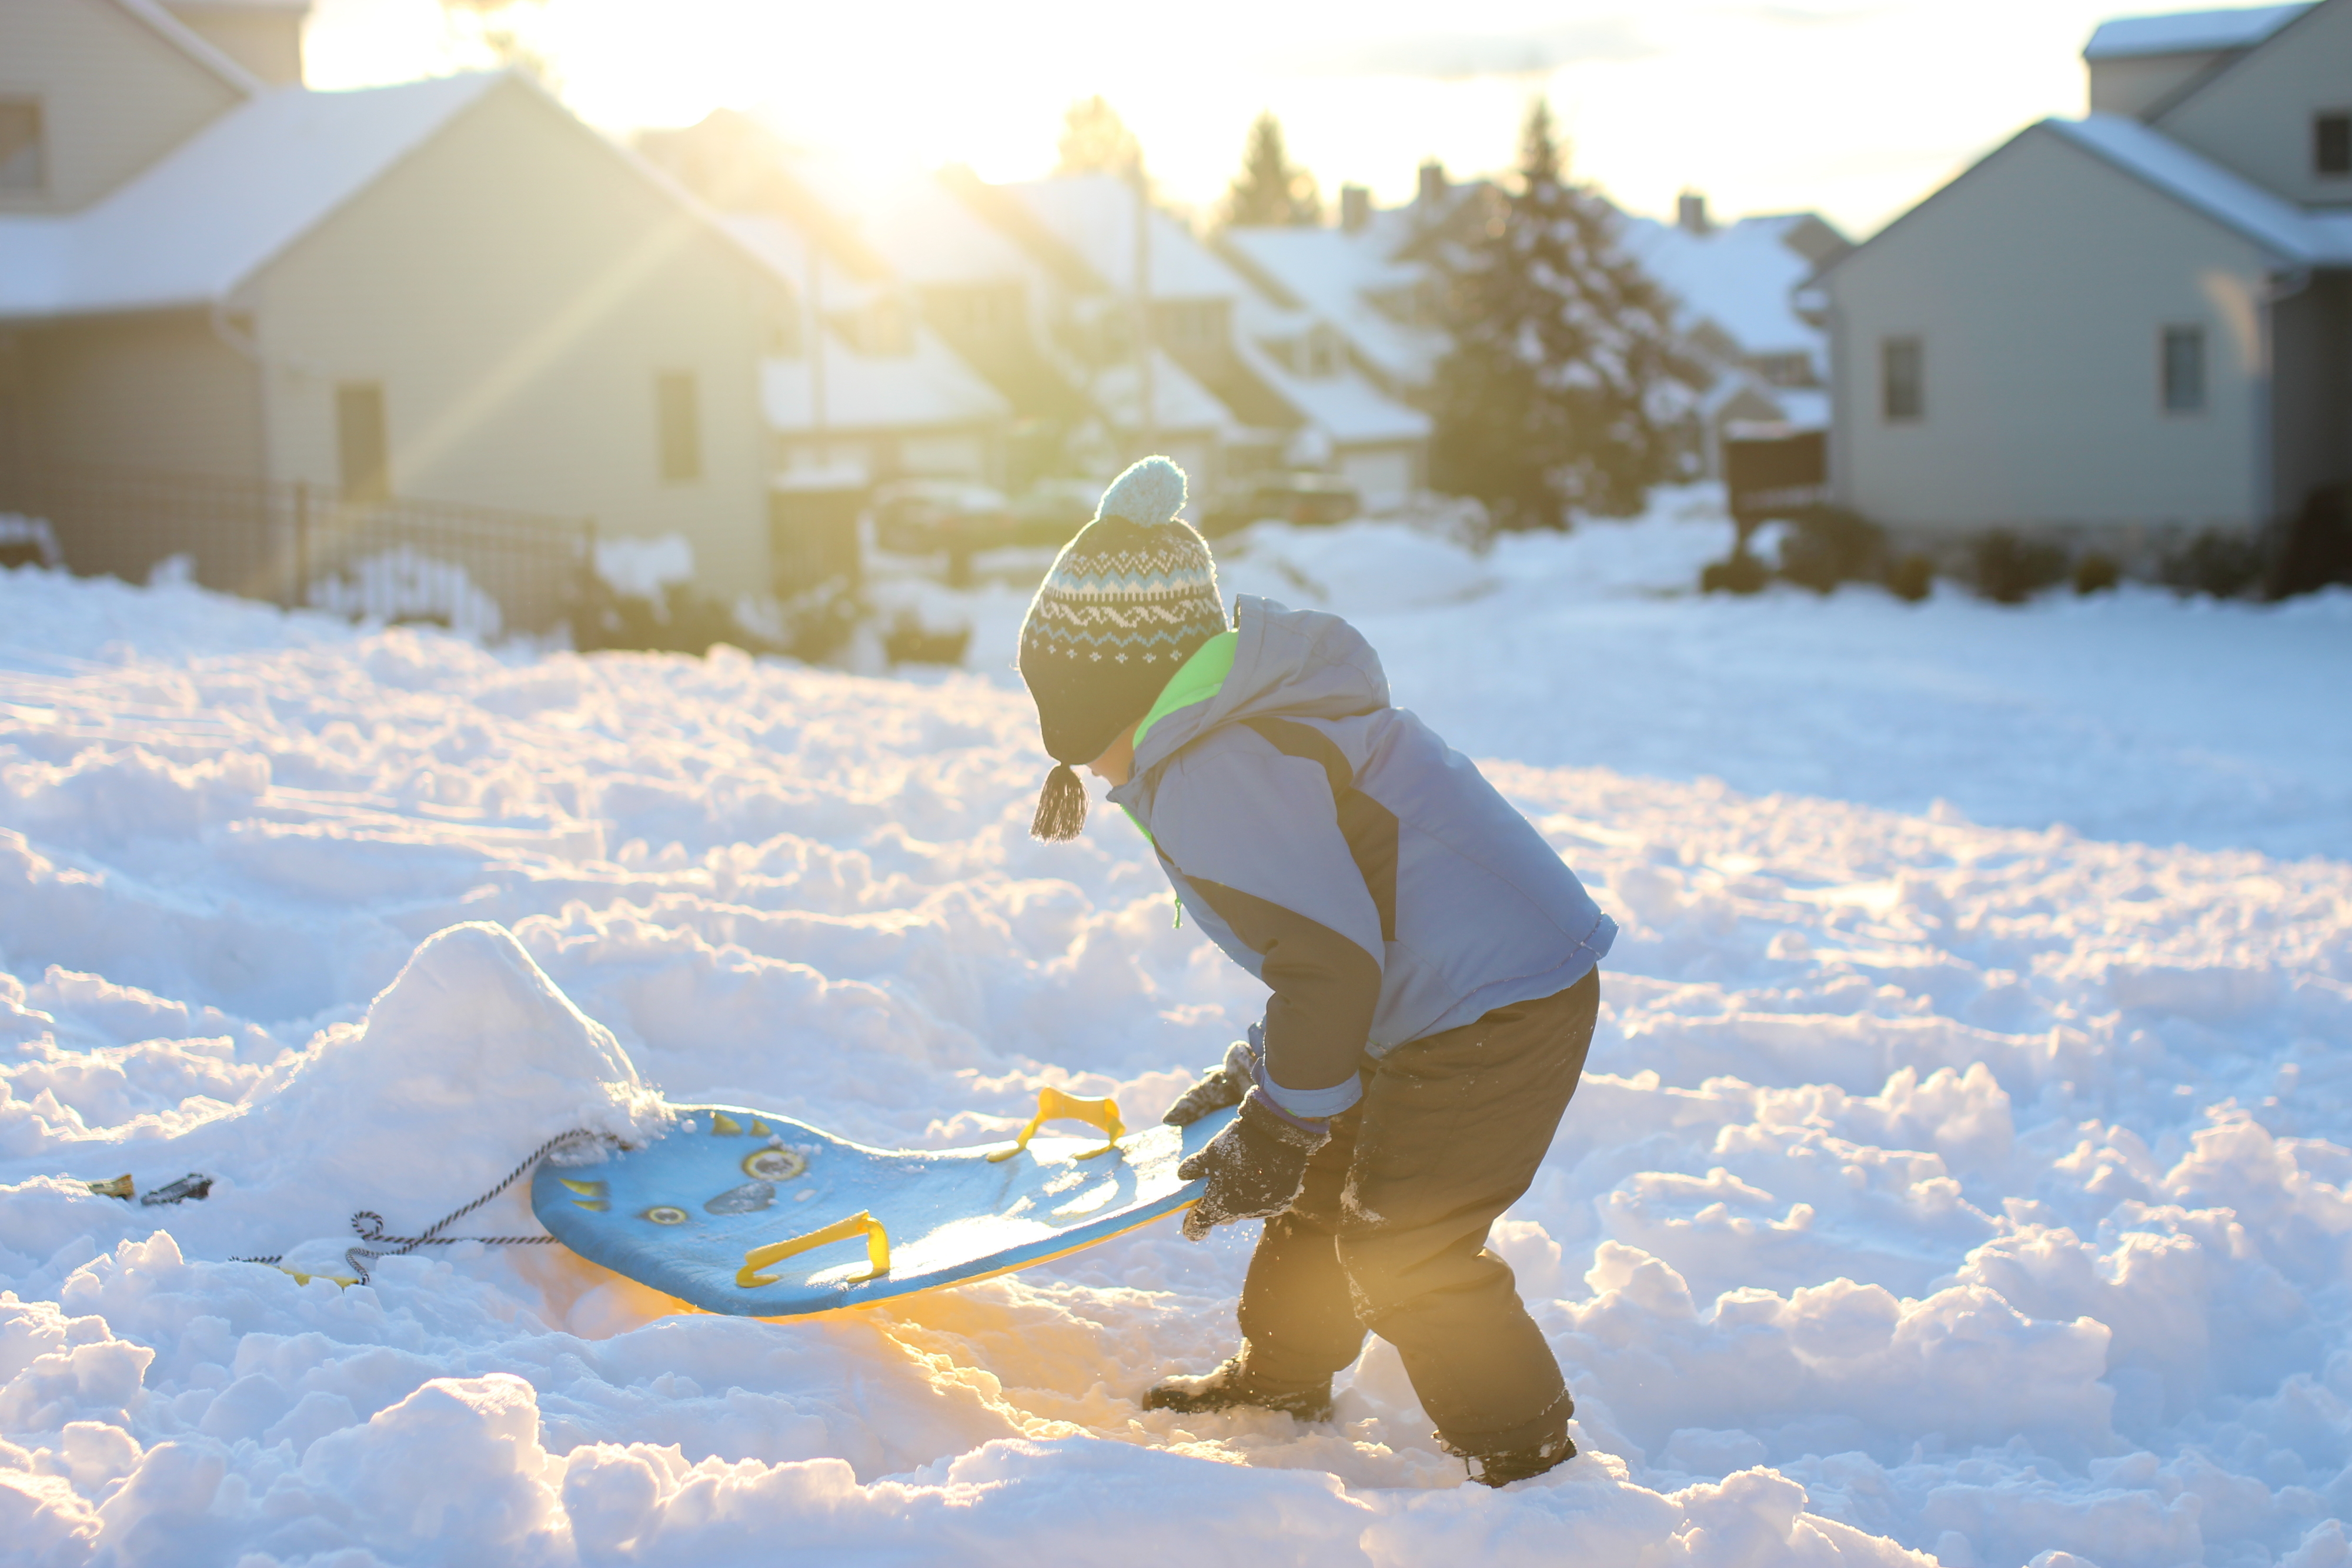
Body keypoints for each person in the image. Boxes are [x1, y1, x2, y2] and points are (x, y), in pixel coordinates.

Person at [1017, 456, 1616, 1487]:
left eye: (1068, 718)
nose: (1079, 760)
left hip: (1493, 1008)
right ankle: (1284, 1376)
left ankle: (1531, 1466)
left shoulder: (1213, 770)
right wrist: (1267, 1079)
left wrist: (1283, 1117)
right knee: (1319, 1188)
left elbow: (1330, 963)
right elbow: (1332, 939)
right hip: (1435, 995)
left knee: (1405, 1246)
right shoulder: (1228, 729)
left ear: (1116, 695)